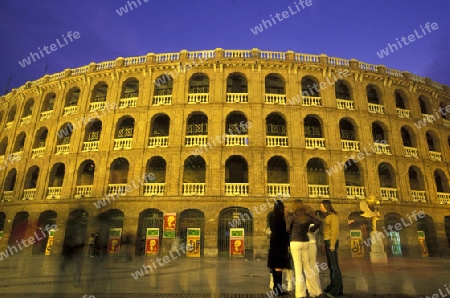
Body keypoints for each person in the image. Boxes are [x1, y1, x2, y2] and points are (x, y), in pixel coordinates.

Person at [287, 200, 323, 298]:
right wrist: (311, 229)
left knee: (298, 268)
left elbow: (287, 229)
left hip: (295, 242)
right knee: (308, 267)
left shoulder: (292, 216)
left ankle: (300, 294)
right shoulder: (307, 216)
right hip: (305, 242)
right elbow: (318, 222)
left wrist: (291, 231)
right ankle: (316, 290)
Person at [320, 200, 343, 298]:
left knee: (334, 266)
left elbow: (335, 231)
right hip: (327, 241)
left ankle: (336, 289)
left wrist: (332, 244)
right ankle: (334, 285)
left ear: (326, 206)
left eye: (321, 206)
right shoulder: (326, 216)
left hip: (331, 241)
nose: (320, 207)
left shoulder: (333, 216)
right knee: (331, 266)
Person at [267, 200, 290, 296]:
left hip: (273, 241)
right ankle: (278, 289)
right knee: (279, 266)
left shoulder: (271, 216)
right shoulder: (280, 218)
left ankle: (276, 287)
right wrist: (287, 242)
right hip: (280, 242)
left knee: (275, 266)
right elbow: (283, 232)